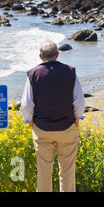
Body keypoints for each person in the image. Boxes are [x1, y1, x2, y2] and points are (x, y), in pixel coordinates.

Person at [21, 40, 86, 192]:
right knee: (67, 171)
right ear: (57, 54)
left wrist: (29, 121)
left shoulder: (33, 74)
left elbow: (26, 104)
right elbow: (79, 101)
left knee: (44, 171)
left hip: (42, 129)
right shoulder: (70, 71)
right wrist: (77, 119)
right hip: (67, 127)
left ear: (40, 56)